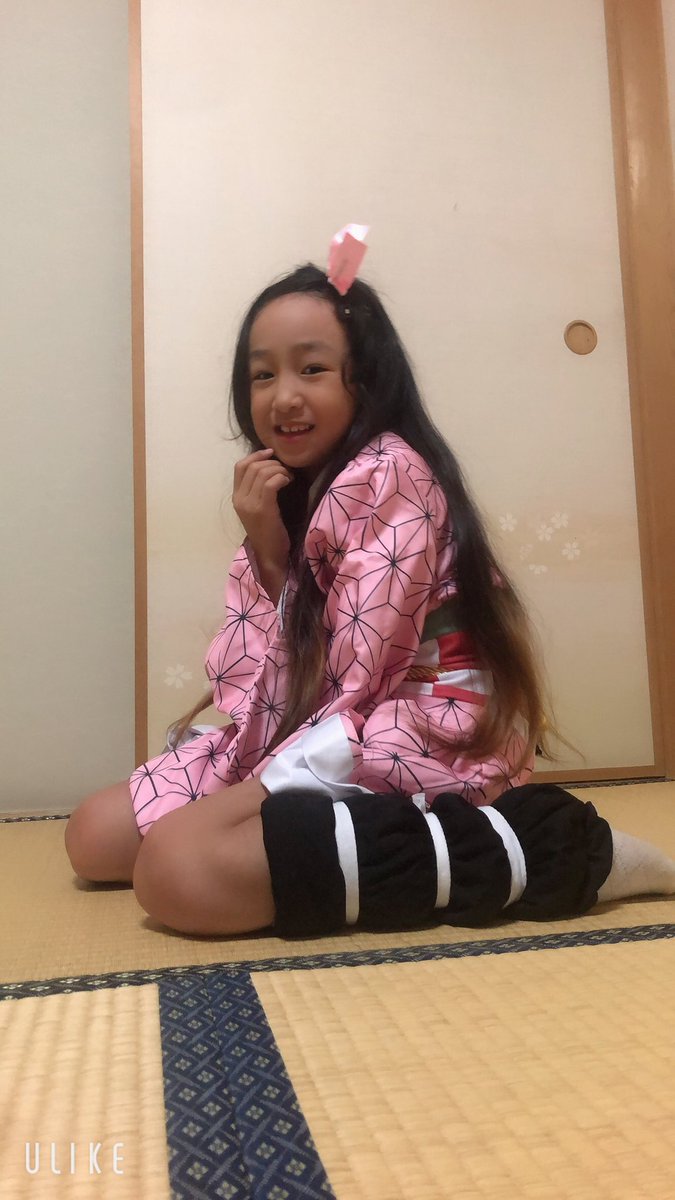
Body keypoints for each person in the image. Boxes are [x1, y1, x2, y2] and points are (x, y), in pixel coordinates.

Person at [65, 250, 675, 936]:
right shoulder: (295, 488)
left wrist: (248, 775)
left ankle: (554, 849)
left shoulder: (387, 474)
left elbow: (357, 674)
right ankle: (324, 832)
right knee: (95, 836)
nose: (283, 396)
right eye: (262, 374)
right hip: (328, 709)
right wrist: (266, 548)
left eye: (312, 368)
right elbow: (267, 669)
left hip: (423, 719)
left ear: (367, 378)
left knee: (180, 870)